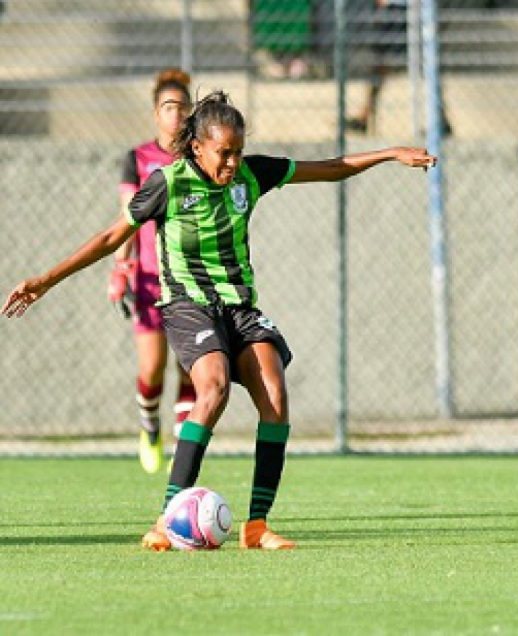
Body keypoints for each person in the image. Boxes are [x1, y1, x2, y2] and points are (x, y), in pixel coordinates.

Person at [3, 90, 437, 551]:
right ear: (197, 147)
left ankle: (257, 527)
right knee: (213, 387)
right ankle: (166, 519)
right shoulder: (167, 183)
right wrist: (46, 280)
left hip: (240, 306)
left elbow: (329, 168)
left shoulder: (251, 175)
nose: (232, 162)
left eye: (238, 151)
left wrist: (390, 153)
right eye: (223, 153)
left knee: (274, 390)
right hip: (188, 305)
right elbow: (113, 236)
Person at [110, 68, 197, 475]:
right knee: (151, 367)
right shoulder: (139, 159)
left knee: (191, 364)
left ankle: (182, 442)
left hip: (192, 281)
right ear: (155, 113)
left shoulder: (200, 157)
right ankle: (149, 424)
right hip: (148, 280)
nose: (177, 115)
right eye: (169, 107)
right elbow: (127, 219)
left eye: (184, 107)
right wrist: (121, 268)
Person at [347, 0, 450, 136]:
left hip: (417, 8)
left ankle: (441, 120)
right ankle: (365, 116)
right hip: (393, 8)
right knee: (380, 62)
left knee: (427, 63)